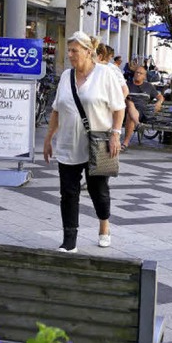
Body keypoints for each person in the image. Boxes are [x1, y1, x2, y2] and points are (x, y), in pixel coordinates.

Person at [43, 31, 125, 253]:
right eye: (69, 50)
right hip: (68, 143)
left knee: (99, 191)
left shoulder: (105, 75)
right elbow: (56, 110)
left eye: (74, 51)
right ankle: (69, 240)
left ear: (89, 52)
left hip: (97, 144)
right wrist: (48, 138)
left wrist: (115, 134)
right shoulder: (66, 77)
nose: (70, 55)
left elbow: (119, 108)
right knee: (68, 192)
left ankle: (104, 225)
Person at [122, 66, 164, 151]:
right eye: (136, 72)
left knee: (130, 115)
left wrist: (159, 102)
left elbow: (160, 97)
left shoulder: (149, 86)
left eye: (140, 73)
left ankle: (126, 143)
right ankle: (137, 125)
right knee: (130, 103)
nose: (137, 74)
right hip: (124, 111)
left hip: (140, 112)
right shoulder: (127, 84)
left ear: (144, 76)